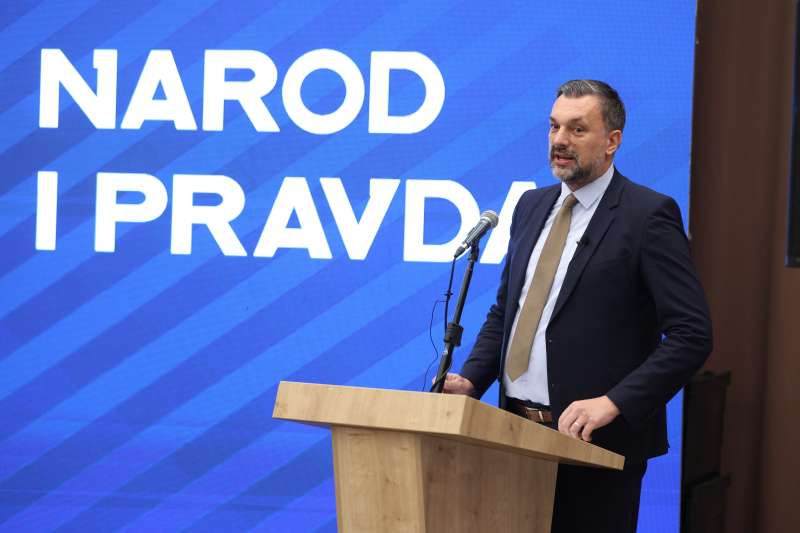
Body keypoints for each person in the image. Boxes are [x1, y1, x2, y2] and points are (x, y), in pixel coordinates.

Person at [442, 80, 712, 533]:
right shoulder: (530, 206)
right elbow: (508, 311)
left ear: (612, 141)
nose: (560, 140)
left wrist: (614, 402)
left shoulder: (647, 215)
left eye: (577, 129)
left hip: (595, 448)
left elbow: (692, 335)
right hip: (511, 438)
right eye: (554, 127)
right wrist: (471, 379)